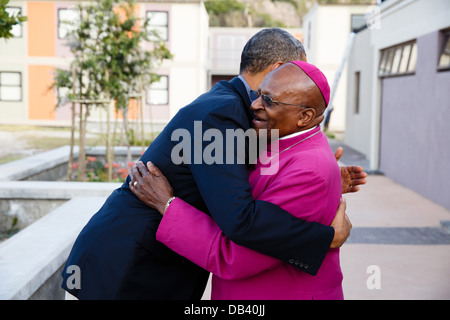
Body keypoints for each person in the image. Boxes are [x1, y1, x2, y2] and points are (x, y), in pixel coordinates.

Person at [61, 29, 365, 300]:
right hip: (129, 262)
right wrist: (325, 238)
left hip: (148, 258)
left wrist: (325, 181)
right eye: (297, 68)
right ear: (277, 70)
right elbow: (240, 219)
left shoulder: (237, 108)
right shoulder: (221, 114)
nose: (304, 74)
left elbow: (255, 176)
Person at [130, 61, 345, 299]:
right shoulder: (280, 141)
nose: (254, 105)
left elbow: (234, 257)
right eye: (258, 94)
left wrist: (167, 204)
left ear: (305, 116)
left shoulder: (309, 170)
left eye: (269, 101)